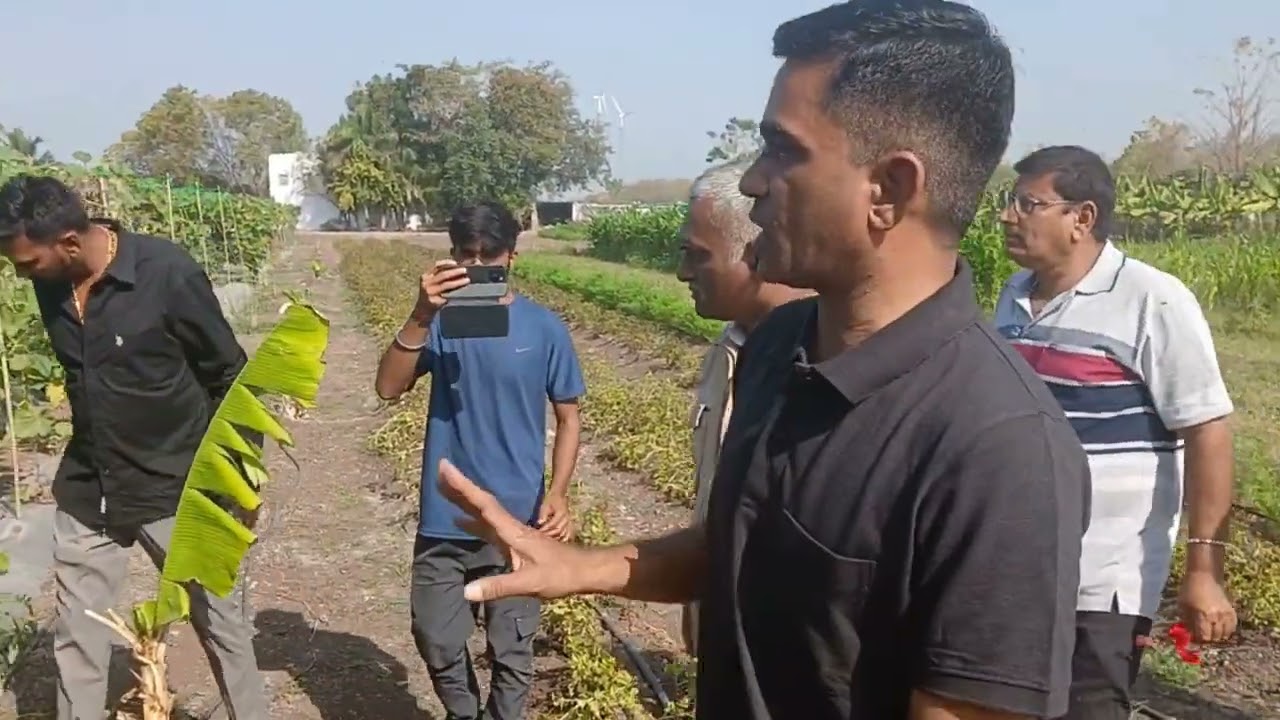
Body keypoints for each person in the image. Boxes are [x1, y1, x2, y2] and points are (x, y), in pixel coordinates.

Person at [431, 2, 1091, 719]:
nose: (751, 182)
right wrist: (583, 566)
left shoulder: (998, 449)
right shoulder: (780, 345)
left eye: (782, 150)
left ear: (889, 190)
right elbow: (744, 543)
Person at [0, 175, 266, 720]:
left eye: (27, 264)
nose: (21, 274)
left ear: (70, 244)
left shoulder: (166, 273)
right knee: (77, 636)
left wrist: (239, 479)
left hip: (177, 484)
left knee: (222, 625)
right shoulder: (50, 281)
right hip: (89, 484)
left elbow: (230, 376)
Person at [993, 145, 1237, 720]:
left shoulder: (1153, 300)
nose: (1007, 216)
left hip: (1103, 582)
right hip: (1016, 569)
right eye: (1010, 202)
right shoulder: (1012, 297)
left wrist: (1204, 572)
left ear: (1082, 219)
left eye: (1028, 204)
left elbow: (1209, 431)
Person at [373, 201, 585, 720]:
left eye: (488, 255)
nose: (476, 265)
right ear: (450, 257)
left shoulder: (543, 328)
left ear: (511, 256)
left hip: (516, 521)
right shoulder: (440, 326)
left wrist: (557, 494)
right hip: (446, 520)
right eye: (465, 255)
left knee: (512, 651)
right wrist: (422, 314)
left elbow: (569, 416)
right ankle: (462, 713)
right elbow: (387, 387)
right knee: (437, 637)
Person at [674, 157, 811, 655]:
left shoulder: (822, 365)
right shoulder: (727, 350)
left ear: (755, 251)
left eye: (697, 255)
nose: (682, 271)